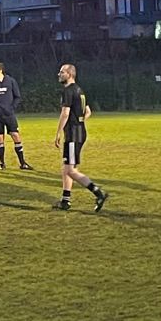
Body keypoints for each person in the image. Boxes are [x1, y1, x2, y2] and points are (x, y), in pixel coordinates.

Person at [54, 62, 107, 213]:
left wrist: (58, 132)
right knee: (67, 168)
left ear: (70, 74)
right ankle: (65, 201)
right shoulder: (80, 90)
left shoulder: (68, 91)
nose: (59, 74)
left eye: (62, 72)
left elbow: (65, 113)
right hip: (79, 131)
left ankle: (98, 193)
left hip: (73, 134)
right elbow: (88, 111)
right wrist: (79, 121)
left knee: (70, 170)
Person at [0, 61, 32, 171]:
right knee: (0, 138)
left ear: (0, 70)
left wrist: (11, 108)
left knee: (15, 135)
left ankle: (22, 163)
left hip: (9, 115)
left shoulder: (10, 81)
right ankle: (2, 163)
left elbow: (17, 97)